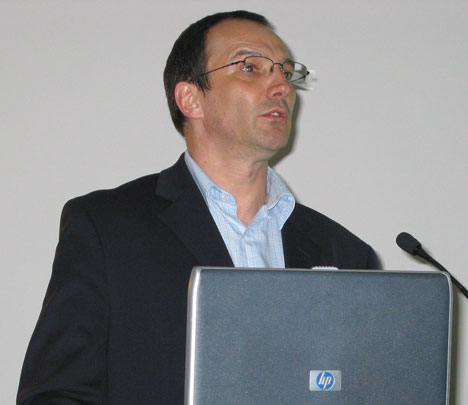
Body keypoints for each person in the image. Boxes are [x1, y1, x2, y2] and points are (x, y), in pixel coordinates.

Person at [17, 10, 379, 404]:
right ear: (190, 99)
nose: (281, 86)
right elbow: (56, 394)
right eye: (250, 67)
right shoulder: (108, 229)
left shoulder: (345, 254)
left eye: (286, 72)